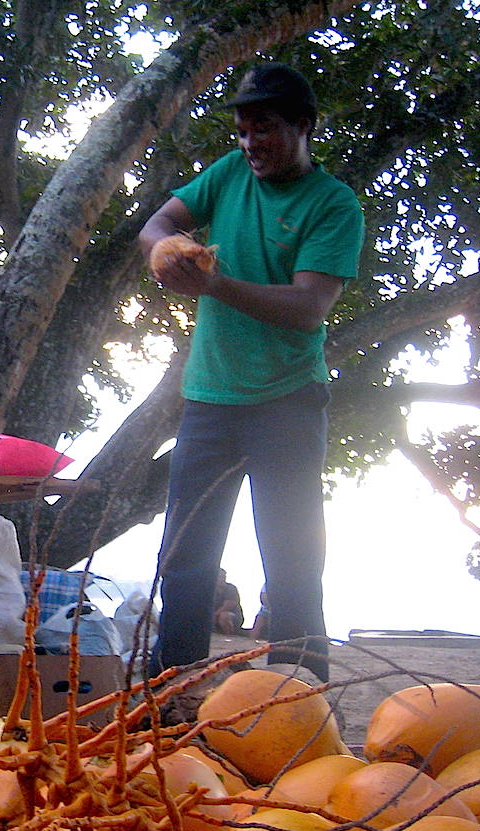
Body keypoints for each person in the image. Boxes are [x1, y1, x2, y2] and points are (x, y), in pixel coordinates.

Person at [137, 62, 364, 683]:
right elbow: (158, 223)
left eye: (264, 129)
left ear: (304, 126)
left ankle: (295, 694)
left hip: (287, 401)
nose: (250, 144)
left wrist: (211, 284)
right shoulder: (230, 173)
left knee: (291, 558)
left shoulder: (334, 204)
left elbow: (308, 307)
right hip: (209, 398)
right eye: (242, 130)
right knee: (185, 553)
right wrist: (165, 252)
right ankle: (172, 689)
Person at [211, 568, 244, 636]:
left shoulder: (231, 588)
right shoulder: (210, 588)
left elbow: (228, 605)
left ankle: (229, 636)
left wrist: (214, 615)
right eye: (220, 577)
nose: (222, 579)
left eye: (224, 577)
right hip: (214, 615)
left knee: (224, 616)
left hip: (232, 616)